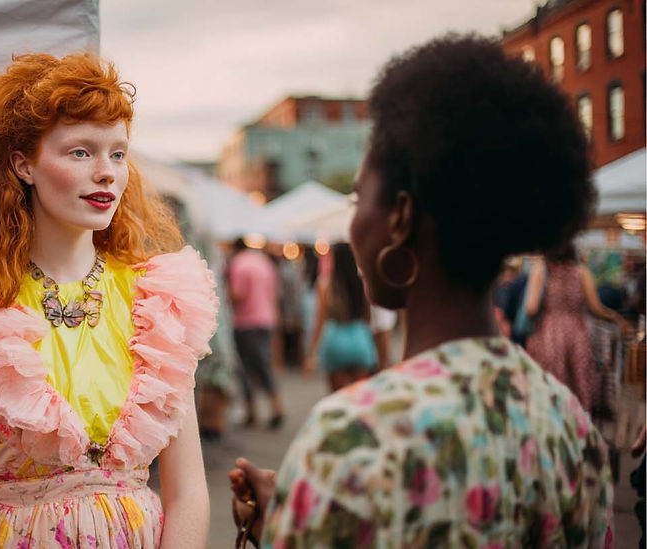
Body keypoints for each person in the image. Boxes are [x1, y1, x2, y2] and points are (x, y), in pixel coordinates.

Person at [229, 35, 613, 548]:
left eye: (357, 197)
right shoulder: (568, 424)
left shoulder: (354, 439)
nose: (352, 223)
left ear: (401, 217)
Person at [0, 53, 215, 548]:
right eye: (80, 152)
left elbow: (190, 494)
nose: (106, 173)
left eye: (117, 153)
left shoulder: (159, 298)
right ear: (22, 164)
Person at [525, 243, 629, 411]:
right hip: (577, 333)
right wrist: (615, 317)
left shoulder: (541, 270)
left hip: (548, 334)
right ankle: (577, 428)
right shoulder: (582, 273)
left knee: (548, 384)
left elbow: (531, 308)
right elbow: (596, 308)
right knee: (577, 384)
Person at [302, 242, 377, 391]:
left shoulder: (325, 285)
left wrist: (310, 353)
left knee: (337, 398)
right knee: (361, 396)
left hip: (334, 339)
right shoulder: (362, 283)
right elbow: (368, 316)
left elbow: (319, 320)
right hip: (359, 338)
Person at [228, 237, 284, 429]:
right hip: (266, 319)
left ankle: (252, 411)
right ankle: (276, 406)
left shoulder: (238, 264)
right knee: (264, 365)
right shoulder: (264, 262)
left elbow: (238, 293)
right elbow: (275, 292)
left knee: (245, 368)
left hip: (245, 322)